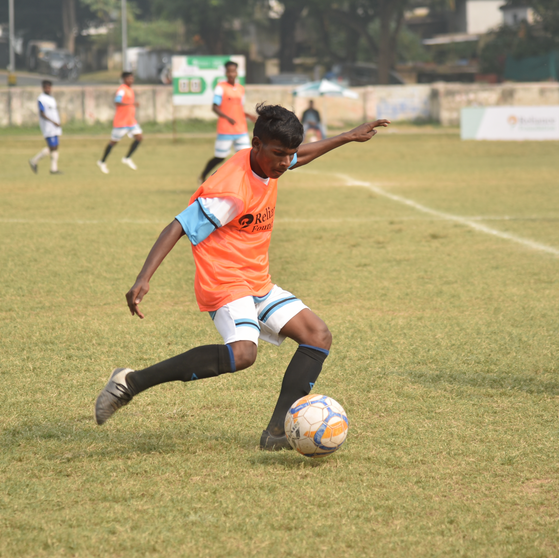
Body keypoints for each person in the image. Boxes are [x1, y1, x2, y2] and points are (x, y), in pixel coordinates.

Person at [94, 104, 390, 450]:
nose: (285, 163)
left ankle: (277, 432)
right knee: (243, 354)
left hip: (255, 279)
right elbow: (178, 226)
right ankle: (131, 382)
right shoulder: (230, 192)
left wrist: (346, 137)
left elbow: (300, 156)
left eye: (288, 154)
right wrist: (144, 277)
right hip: (223, 280)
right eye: (279, 154)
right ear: (257, 144)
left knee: (317, 335)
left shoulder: (268, 161)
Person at [198, 61, 257, 183]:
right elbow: (214, 107)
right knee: (220, 157)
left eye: (233, 71)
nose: (231, 74)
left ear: (237, 72)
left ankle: (247, 181)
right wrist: (228, 118)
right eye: (229, 71)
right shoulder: (221, 88)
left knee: (247, 156)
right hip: (226, 129)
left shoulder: (240, 89)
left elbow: (238, 108)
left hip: (241, 129)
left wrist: (248, 115)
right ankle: (203, 175)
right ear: (226, 72)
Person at [97, 71, 142, 174]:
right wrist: (132, 103)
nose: (131, 80)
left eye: (132, 78)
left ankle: (127, 158)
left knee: (139, 137)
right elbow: (117, 101)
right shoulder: (122, 89)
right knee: (113, 142)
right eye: (129, 78)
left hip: (130, 121)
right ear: (124, 79)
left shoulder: (130, 90)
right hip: (121, 122)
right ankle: (102, 161)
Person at [29, 80, 63, 175]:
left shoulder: (51, 98)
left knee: (55, 147)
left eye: (49, 87)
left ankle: (54, 169)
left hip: (55, 126)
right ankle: (34, 161)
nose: (48, 89)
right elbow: (42, 113)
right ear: (43, 88)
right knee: (52, 147)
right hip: (48, 126)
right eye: (46, 87)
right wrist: (53, 122)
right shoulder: (41, 99)